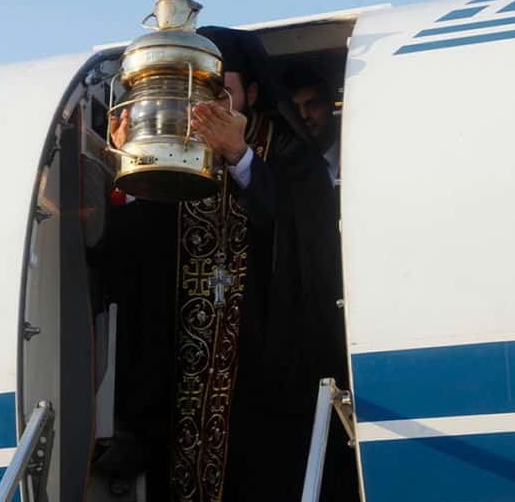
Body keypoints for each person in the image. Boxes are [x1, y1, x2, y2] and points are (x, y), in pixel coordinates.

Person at [101, 26, 353, 502]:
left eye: (221, 93)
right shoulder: (177, 152)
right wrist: (131, 169)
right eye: (197, 94)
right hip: (184, 370)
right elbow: (135, 263)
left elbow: (302, 238)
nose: (206, 107)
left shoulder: (290, 154)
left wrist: (239, 156)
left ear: (252, 94)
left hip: (267, 368)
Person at [285, 67, 341, 185]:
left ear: (330, 104)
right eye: (296, 108)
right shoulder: (291, 171)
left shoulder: (361, 155)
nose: (304, 115)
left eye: (312, 104)